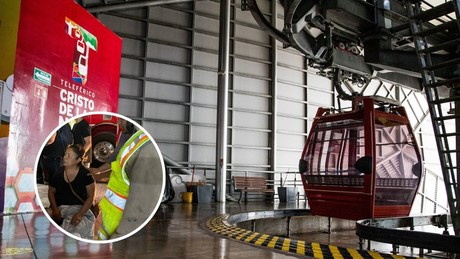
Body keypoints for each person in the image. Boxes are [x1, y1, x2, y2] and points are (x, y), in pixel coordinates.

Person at [92, 118, 163, 240]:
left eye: (121, 120)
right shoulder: (131, 137)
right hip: (109, 219)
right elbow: (116, 159)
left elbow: (141, 204)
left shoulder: (144, 149)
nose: (118, 123)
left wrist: (120, 236)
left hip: (120, 228)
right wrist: (99, 170)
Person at [48, 144, 96, 239]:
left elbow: (91, 196)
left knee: (75, 233)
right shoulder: (58, 172)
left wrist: (79, 215)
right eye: (65, 154)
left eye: (69, 156)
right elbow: (51, 192)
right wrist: (55, 209)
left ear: (78, 160)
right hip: (60, 210)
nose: (65, 157)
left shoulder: (85, 175)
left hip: (79, 210)